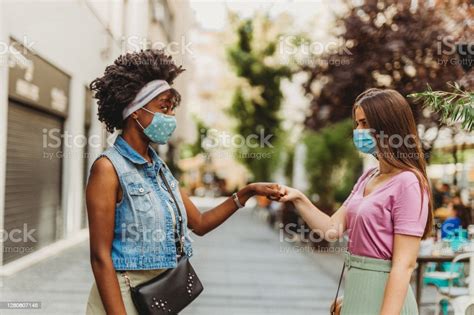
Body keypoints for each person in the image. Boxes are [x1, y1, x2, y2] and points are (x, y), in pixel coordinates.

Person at [85, 49, 281, 315]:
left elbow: (199, 224)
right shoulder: (108, 169)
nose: (170, 117)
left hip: (157, 298)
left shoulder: (160, 169)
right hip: (121, 299)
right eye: (163, 107)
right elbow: (100, 256)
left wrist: (245, 193)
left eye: (172, 109)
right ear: (134, 111)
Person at [278, 88, 433, 315]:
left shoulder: (408, 182)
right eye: (357, 123)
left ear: (387, 126)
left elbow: (404, 264)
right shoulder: (368, 178)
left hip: (387, 303)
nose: (358, 131)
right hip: (358, 294)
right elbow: (332, 229)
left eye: (364, 123)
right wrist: (299, 198)